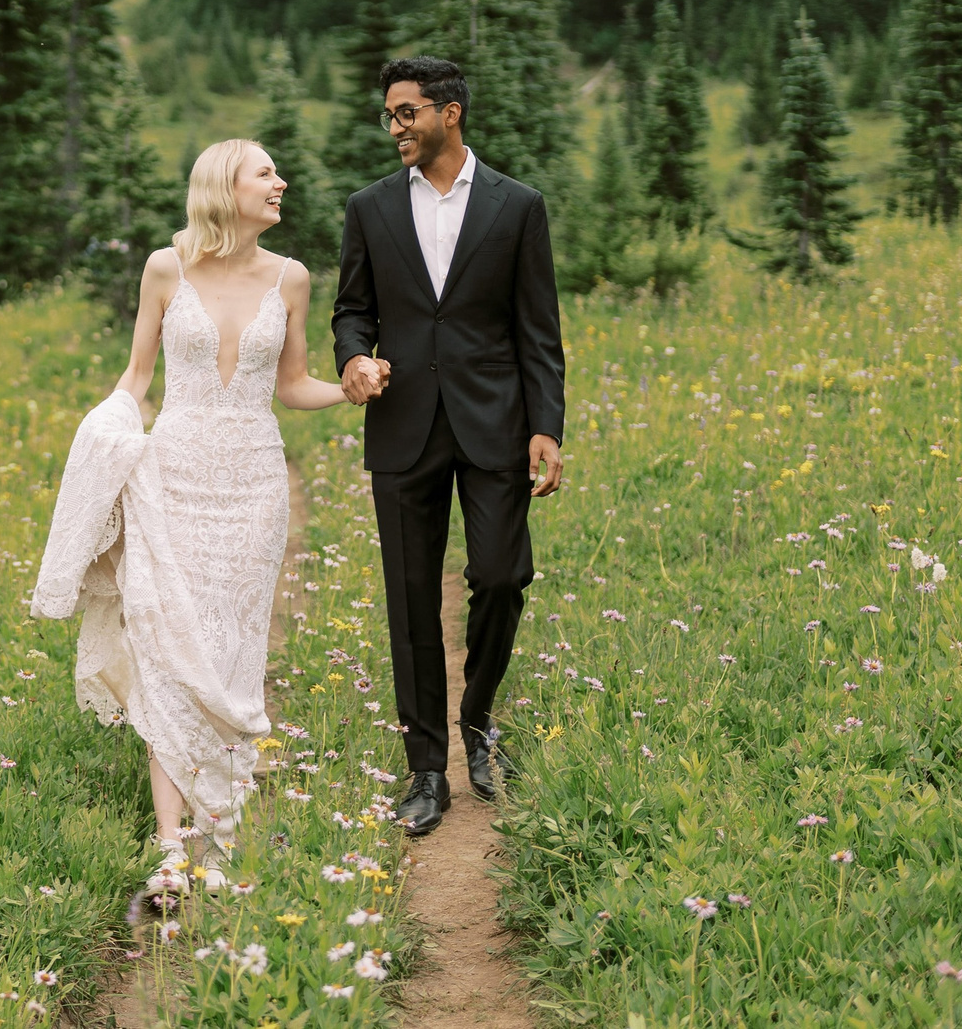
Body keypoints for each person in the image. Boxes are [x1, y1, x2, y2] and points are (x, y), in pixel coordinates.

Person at [32, 139, 348, 888]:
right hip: (173, 474)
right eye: (265, 172)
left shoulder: (292, 279)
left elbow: (294, 383)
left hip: (253, 482)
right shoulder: (165, 267)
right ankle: (172, 841)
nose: (281, 182)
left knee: (233, 646)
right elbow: (137, 377)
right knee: (171, 649)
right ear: (224, 186)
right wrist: (107, 444)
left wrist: (350, 391)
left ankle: (221, 818)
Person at [333, 56, 565, 836]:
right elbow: (351, 310)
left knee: (501, 575)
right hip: (403, 425)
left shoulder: (517, 206)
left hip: (494, 419)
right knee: (410, 600)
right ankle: (426, 767)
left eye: (407, 113)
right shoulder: (368, 208)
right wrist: (354, 358)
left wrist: (546, 426)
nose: (395, 127)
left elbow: (539, 330)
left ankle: (478, 718)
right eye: (390, 115)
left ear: (449, 113)